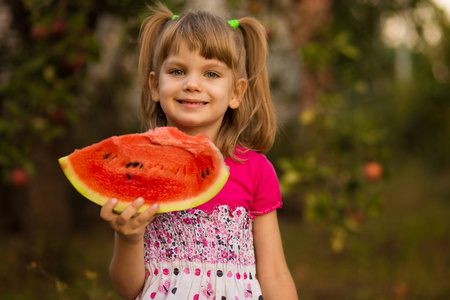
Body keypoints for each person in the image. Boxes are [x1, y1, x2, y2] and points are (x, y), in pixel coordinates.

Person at [100, 2, 298, 299]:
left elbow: (274, 273)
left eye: (211, 74)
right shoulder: (137, 168)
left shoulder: (256, 170)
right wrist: (128, 238)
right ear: (155, 86)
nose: (193, 84)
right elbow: (129, 289)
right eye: (178, 71)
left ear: (236, 92)